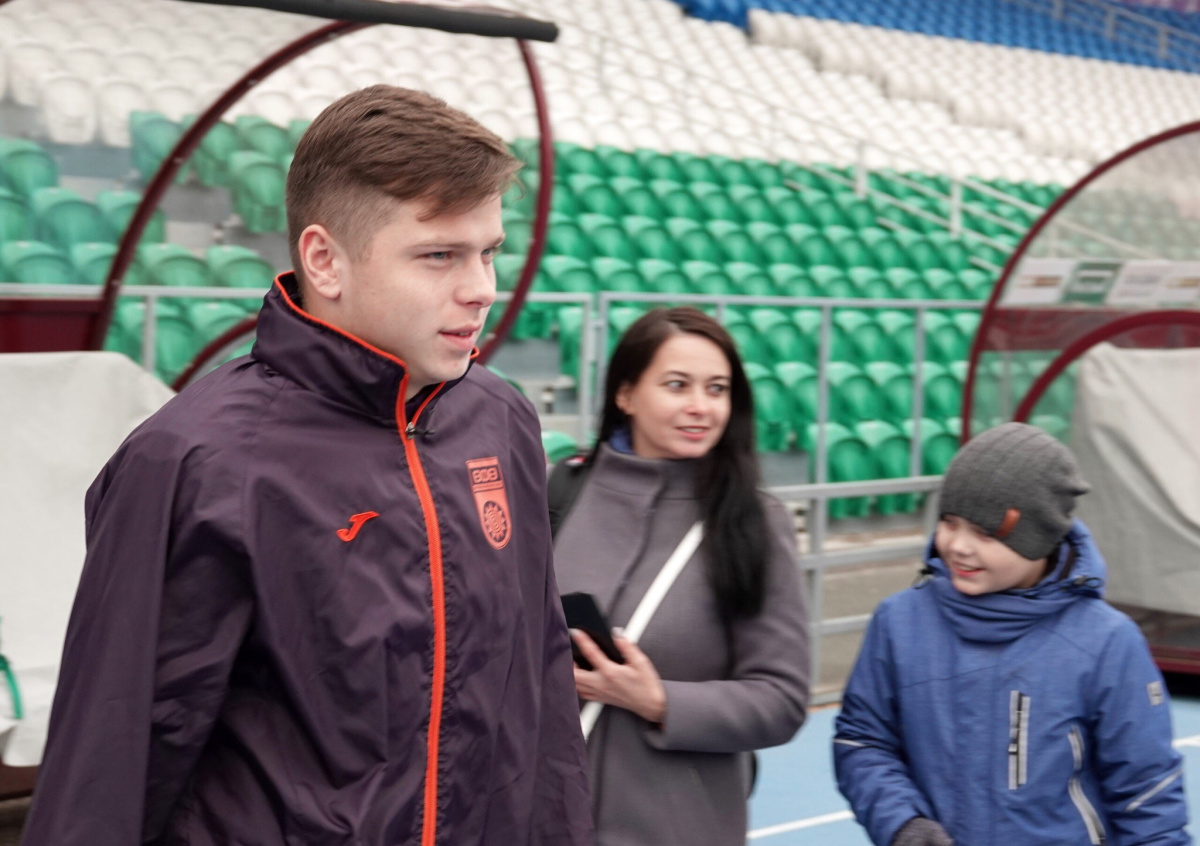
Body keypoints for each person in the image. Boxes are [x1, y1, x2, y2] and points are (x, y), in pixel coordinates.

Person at [21, 86, 593, 845]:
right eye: (439, 256)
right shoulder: (194, 460)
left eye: (488, 252)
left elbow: (539, 691)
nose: (481, 288)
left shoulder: (501, 420)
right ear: (325, 259)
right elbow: (111, 757)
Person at [834, 422, 1190, 846]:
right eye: (949, 522)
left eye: (985, 532)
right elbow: (862, 742)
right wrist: (903, 824)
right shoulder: (899, 622)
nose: (959, 546)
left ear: (1040, 537)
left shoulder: (1108, 643)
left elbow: (1148, 797)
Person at [550, 307, 810, 846]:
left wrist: (660, 701)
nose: (700, 406)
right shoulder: (563, 492)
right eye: (677, 385)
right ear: (626, 394)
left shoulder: (757, 523)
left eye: (717, 389)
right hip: (545, 821)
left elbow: (782, 700)